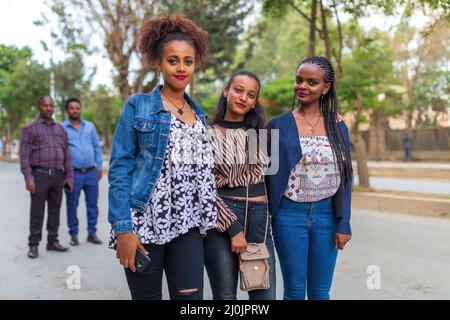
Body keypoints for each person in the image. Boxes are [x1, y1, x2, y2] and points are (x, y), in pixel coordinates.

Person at [108, 13, 216, 300]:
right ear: (159, 62)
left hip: (188, 228)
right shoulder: (138, 106)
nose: (181, 68)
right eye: (173, 60)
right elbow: (120, 169)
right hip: (143, 226)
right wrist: (123, 230)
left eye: (188, 61)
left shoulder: (201, 117)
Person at [266, 56, 353, 300]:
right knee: (293, 291)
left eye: (312, 82)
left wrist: (344, 222)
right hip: (288, 215)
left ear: (326, 88)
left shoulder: (339, 127)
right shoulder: (277, 126)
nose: (302, 86)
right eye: (299, 80)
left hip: (327, 216)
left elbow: (345, 178)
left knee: (320, 292)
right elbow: (265, 173)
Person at [204, 70, 276, 300]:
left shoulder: (260, 135)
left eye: (251, 94)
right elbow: (203, 188)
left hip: (259, 220)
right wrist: (233, 228)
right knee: (225, 298)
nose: (244, 97)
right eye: (238, 90)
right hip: (223, 218)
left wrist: (329, 116)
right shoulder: (207, 134)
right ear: (226, 91)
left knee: (264, 297)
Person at [20, 96, 73, 259]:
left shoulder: (60, 129)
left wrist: (69, 175)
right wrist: (28, 177)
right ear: (39, 107)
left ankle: (52, 241)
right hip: (39, 175)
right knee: (37, 212)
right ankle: (34, 244)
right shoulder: (30, 128)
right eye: (45, 105)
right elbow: (24, 156)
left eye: (51, 105)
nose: (48, 108)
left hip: (58, 175)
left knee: (55, 210)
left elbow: (67, 154)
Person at [62, 98, 103, 246]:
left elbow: (97, 147)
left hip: (91, 172)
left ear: (80, 109)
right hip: (73, 173)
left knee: (93, 204)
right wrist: (65, 174)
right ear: (67, 110)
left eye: (77, 108)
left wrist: (99, 166)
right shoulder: (62, 128)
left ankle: (92, 233)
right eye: (72, 108)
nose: (75, 110)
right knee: (72, 205)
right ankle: (74, 234)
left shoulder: (90, 126)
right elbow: (61, 151)